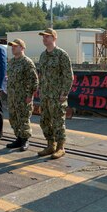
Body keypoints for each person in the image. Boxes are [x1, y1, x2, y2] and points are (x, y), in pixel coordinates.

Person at [37, 28, 74, 159]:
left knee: (58, 122)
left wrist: (64, 93)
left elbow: (68, 76)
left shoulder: (61, 55)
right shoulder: (43, 55)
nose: (44, 39)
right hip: (45, 95)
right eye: (43, 37)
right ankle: (50, 145)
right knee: (45, 121)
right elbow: (41, 75)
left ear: (54, 38)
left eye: (47, 36)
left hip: (57, 96)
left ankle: (60, 147)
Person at [5, 38, 38, 151]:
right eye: (12, 46)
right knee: (13, 118)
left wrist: (30, 95)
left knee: (23, 118)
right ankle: (18, 138)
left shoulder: (27, 62)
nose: (13, 48)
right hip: (13, 96)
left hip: (23, 96)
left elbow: (34, 80)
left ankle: (25, 140)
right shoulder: (12, 62)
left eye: (15, 46)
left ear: (22, 48)